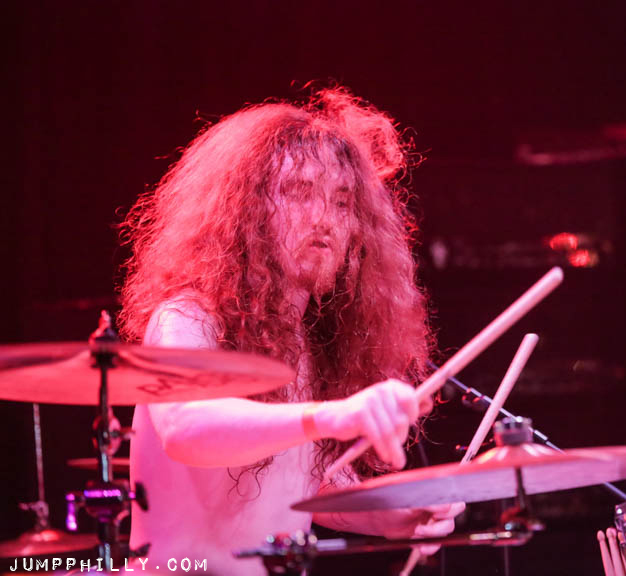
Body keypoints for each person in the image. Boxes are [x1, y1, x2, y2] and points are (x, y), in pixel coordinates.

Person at [118, 87, 463, 574]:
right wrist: (331, 415)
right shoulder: (187, 316)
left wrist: (388, 517)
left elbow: (296, 484)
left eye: (341, 202)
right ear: (245, 208)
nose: (324, 219)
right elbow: (186, 429)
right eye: (299, 192)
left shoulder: (309, 341)